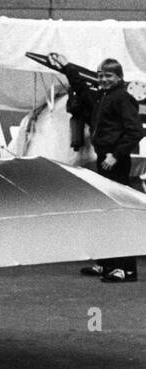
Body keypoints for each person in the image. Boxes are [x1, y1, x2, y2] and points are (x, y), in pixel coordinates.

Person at [51, 52, 144, 283]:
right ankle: (106, 264)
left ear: (119, 77)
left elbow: (136, 130)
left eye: (109, 76)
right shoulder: (104, 96)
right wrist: (66, 67)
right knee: (105, 210)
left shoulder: (122, 97)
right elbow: (82, 88)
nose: (103, 79)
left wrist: (116, 154)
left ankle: (126, 269)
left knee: (119, 213)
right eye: (101, 75)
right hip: (105, 157)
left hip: (115, 161)